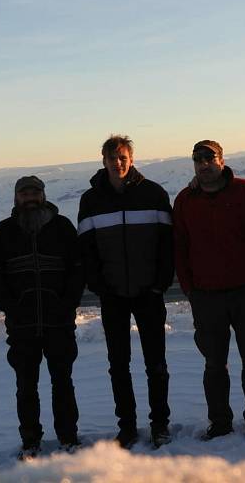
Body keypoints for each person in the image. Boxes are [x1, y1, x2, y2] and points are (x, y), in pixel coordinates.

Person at [77, 135, 174, 449]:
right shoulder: (91, 200)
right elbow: (86, 249)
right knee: (118, 364)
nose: (117, 163)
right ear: (103, 160)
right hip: (113, 295)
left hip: (149, 292)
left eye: (122, 158)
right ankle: (128, 427)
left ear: (131, 159)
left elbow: (167, 244)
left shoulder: (153, 193)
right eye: (112, 158)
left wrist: (160, 282)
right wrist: (99, 285)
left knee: (155, 363)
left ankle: (160, 424)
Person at [173, 140, 245, 442]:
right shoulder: (185, 200)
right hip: (206, 295)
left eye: (209, 158)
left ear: (221, 160)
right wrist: (190, 288)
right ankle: (220, 423)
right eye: (197, 159)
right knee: (214, 363)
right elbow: (180, 247)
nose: (204, 164)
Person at [0, 176, 84, 460]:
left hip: (59, 322)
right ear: (16, 197)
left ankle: (68, 437)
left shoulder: (62, 228)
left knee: (63, 382)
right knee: (26, 386)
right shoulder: (3, 232)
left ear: (43, 195)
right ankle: (30, 441)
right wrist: (11, 306)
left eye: (35, 193)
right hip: (21, 324)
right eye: (24, 193)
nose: (30, 198)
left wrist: (68, 303)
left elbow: (78, 268)